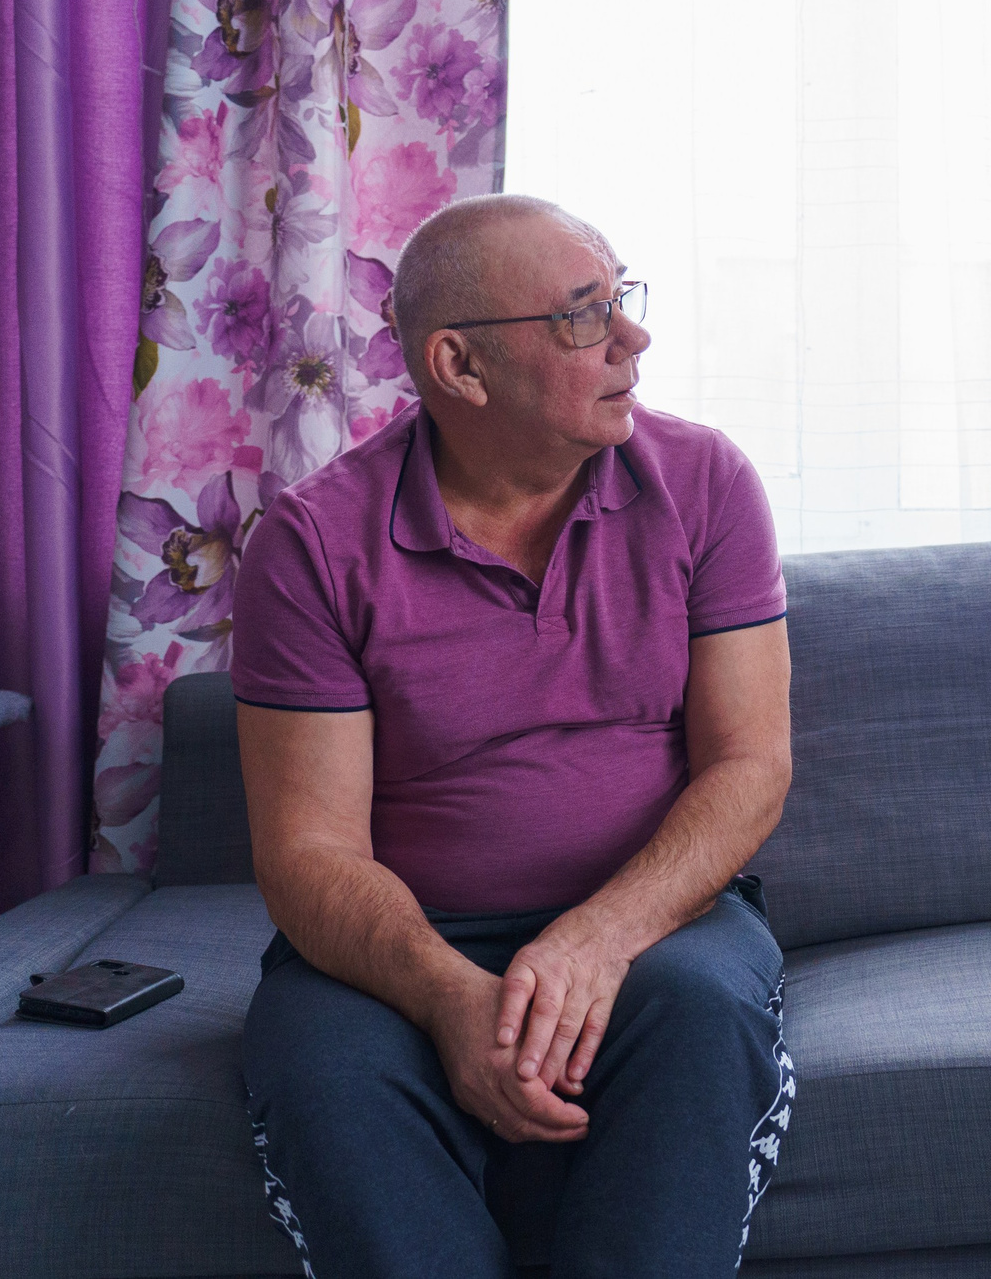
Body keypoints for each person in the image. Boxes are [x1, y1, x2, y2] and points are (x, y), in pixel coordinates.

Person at [231, 194, 797, 1277]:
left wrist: (597, 939)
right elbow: (308, 853)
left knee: (697, 1016)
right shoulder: (312, 543)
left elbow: (750, 765)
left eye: (621, 299)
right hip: (401, 942)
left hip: (659, 925)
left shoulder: (706, 482)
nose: (633, 337)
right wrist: (452, 998)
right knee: (325, 1072)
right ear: (460, 365)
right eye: (584, 315)